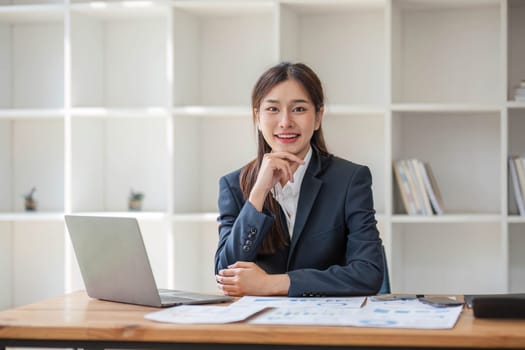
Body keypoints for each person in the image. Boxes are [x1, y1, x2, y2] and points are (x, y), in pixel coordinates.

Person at [214, 62, 383, 297]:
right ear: (257, 117)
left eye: (299, 109)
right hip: (259, 327)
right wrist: (258, 194)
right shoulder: (233, 186)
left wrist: (271, 284)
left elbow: (369, 273)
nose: (285, 122)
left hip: (328, 323)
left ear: (317, 117)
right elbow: (226, 275)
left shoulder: (350, 179)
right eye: (272, 109)